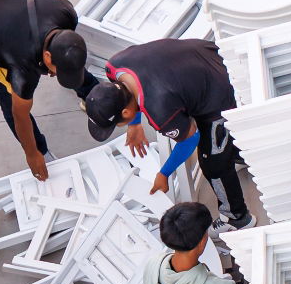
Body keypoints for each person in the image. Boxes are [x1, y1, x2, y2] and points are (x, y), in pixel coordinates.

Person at [84, 38, 253, 229]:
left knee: (213, 162)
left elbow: (190, 138)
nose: (121, 126)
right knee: (218, 147)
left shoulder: (159, 110)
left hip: (221, 91)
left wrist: (164, 173)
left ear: (126, 112)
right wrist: (135, 124)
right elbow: (129, 96)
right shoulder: (114, 66)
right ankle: (240, 152)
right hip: (211, 54)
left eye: (118, 124)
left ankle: (237, 218)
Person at [0, 0, 97, 180]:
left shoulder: (66, 13)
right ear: (47, 56)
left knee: (68, 59)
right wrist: (32, 154)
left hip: (3, 8)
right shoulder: (23, 68)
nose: (52, 75)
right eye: (54, 71)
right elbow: (19, 115)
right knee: (8, 100)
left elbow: (56, 2)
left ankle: (94, 98)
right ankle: (44, 153)